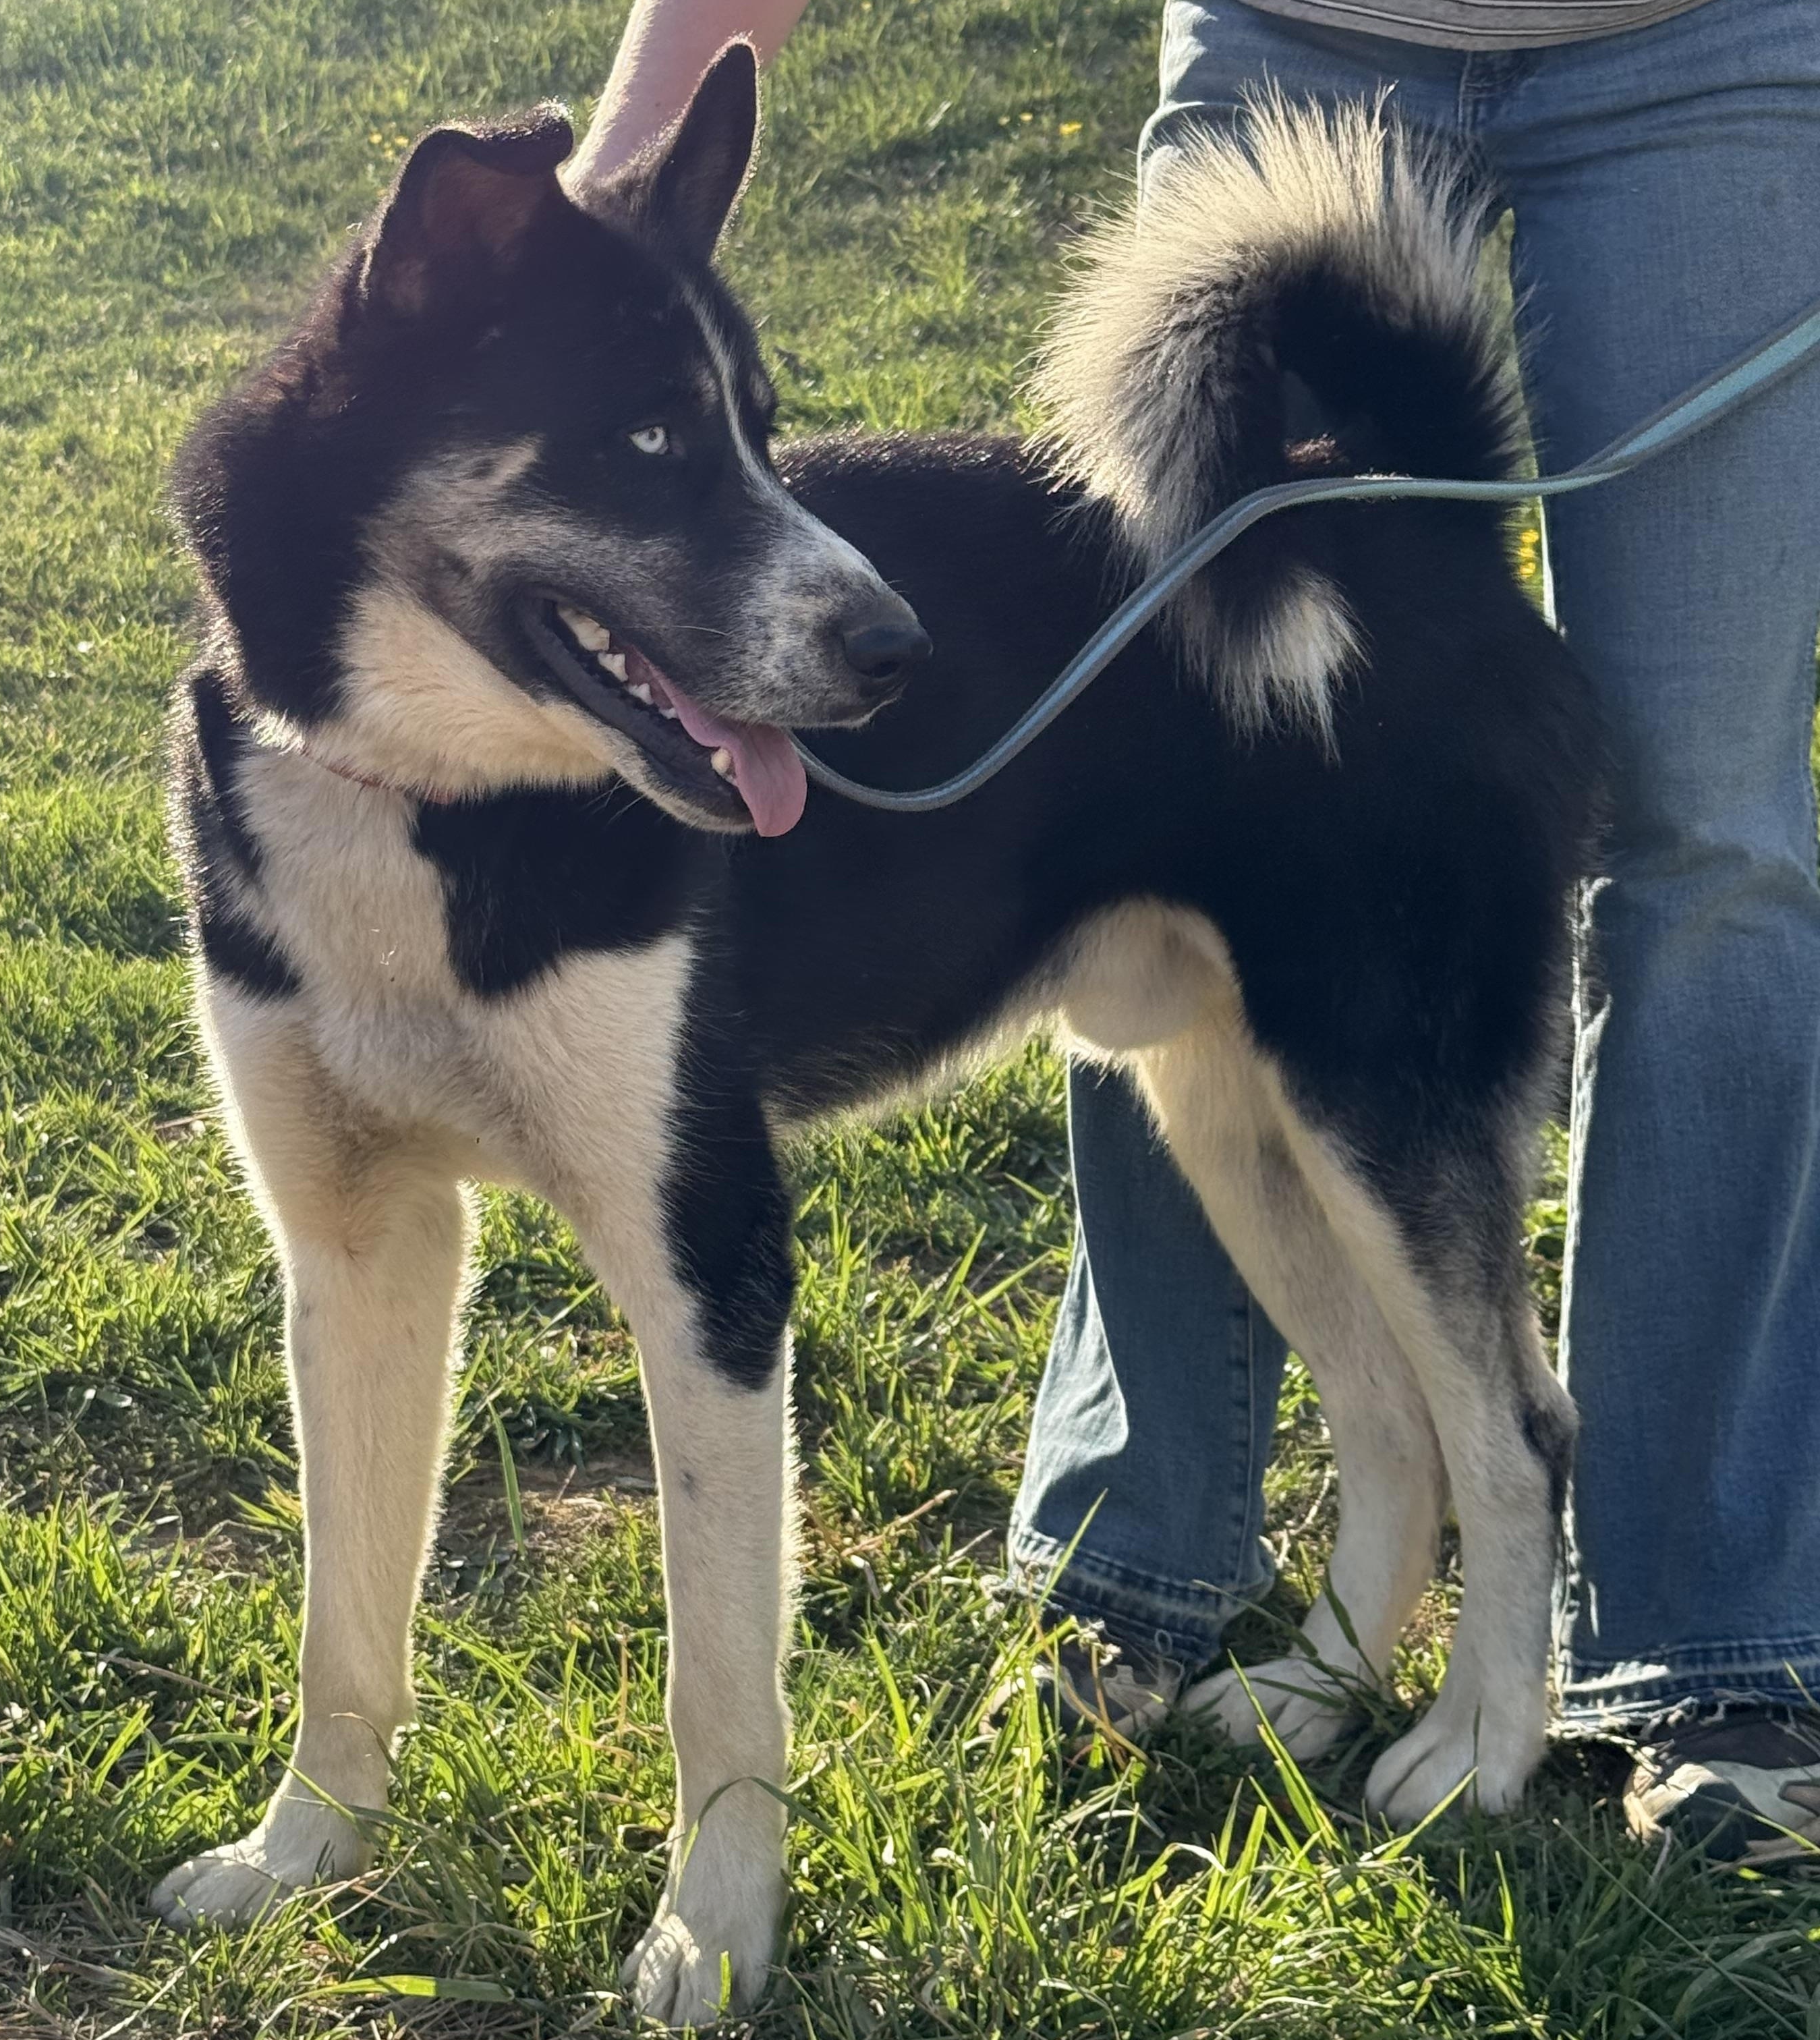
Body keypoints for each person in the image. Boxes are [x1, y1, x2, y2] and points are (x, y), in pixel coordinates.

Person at [575, 0, 1820, 1861]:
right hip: (1292, 32)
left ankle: (1667, 1646)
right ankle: (1176, 1577)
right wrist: (610, 203)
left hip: (1712, 52)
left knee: (1709, 834)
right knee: (1156, 852)